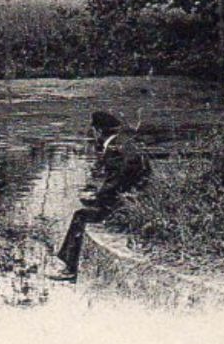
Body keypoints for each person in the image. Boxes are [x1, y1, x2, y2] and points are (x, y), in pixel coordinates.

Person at [45, 111, 152, 282]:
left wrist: (100, 196)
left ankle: (70, 268)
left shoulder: (115, 147)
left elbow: (123, 173)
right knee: (83, 214)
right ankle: (68, 264)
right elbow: (129, 174)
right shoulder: (123, 143)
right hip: (134, 200)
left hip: (126, 204)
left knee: (80, 217)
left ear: (98, 131)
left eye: (93, 131)